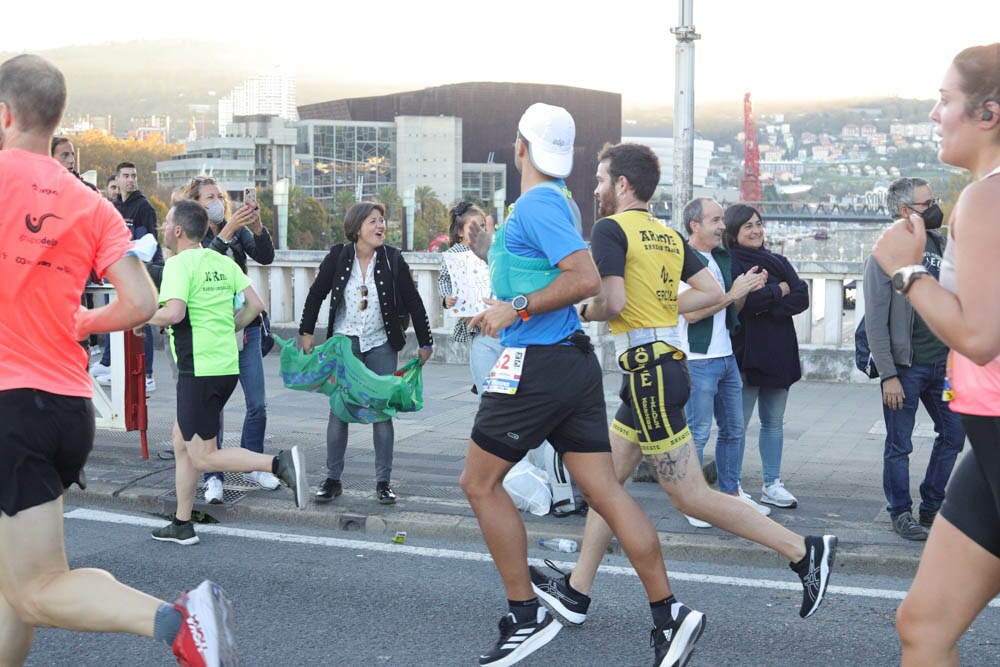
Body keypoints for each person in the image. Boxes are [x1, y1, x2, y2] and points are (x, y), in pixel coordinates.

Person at [529, 143, 838, 636]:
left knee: (690, 497)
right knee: (604, 485)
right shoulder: (668, 236)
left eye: (601, 178)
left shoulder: (609, 229)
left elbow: (608, 300)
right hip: (659, 369)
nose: (596, 188)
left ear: (623, 185)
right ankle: (576, 590)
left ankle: (803, 552)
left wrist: (579, 311)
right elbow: (713, 293)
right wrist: (657, 310)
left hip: (649, 374)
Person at [0, 53, 237, 666]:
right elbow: (142, 301)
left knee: (35, 590)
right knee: (15, 588)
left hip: (10, 408)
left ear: (3, 114)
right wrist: (84, 320)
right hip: (65, 408)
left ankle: (179, 622)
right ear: (56, 122)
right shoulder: (90, 203)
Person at [462, 105, 706, 667]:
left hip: (538, 365)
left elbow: (585, 277)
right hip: (570, 362)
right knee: (605, 492)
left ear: (520, 146)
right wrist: (503, 290)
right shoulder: (560, 202)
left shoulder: (539, 202)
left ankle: (525, 617)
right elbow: (545, 269)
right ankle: (668, 615)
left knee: (479, 484)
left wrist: (514, 309)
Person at [872, 42, 1000, 666]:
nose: (933, 113)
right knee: (923, 625)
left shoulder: (988, 197)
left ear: (988, 114)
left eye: (945, 99)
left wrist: (905, 271)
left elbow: (979, 336)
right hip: (987, 441)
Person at [147, 200, 306, 546]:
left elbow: (173, 313)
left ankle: (278, 464)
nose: (163, 228)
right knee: (181, 443)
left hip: (198, 369)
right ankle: (182, 522)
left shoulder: (177, 265)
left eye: (167, 222)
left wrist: (140, 316)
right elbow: (256, 306)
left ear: (177, 230)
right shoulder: (222, 260)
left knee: (203, 454)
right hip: (225, 366)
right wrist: (226, 326)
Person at [299, 201, 434, 504]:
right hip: (345, 345)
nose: (380, 226)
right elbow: (316, 293)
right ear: (357, 226)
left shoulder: (392, 259)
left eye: (382, 221)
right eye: (373, 221)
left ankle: (383, 482)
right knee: (339, 411)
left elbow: (414, 301)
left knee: (381, 413)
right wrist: (306, 332)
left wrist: (426, 342)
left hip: (381, 344)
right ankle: (333, 479)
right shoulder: (338, 256)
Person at [864, 177, 965, 541]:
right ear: (906, 211)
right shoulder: (885, 254)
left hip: (944, 363)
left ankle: (932, 505)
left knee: (954, 433)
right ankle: (900, 512)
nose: (935, 207)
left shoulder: (940, 242)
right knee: (899, 445)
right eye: (928, 203)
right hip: (905, 369)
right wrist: (888, 374)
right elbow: (875, 319)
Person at [678, 197, 775, 523]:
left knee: (734, 430)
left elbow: (730, 307)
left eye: (722, 219)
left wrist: (747, 287)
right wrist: (733, 293)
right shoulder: (683, 260)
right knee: (698, 433)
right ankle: (693, 503)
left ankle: (730, 494)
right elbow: (690, 315)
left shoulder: (719, 257)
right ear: (695, 226)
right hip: (698, 359)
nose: (723, 226)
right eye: (715, 220)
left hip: (725, 357)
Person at [182, 175, 279, 501]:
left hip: (244, 326)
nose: (216, 203)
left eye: (218, 196)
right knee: (213, 408)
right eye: (208, 197)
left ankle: (254, 462)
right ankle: (213, 475)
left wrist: (258, 225)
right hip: (211, 331)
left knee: (257, 403)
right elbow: (199, 264)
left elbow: (266, 257)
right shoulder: (192, 236)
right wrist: (225, 232)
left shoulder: (235, 231)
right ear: (195, 203)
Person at [724, 203, 809, 507]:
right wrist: (778, 292)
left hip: (779, 352)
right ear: (733, 231)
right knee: (737, 425)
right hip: (745, 353)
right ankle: (731, 486)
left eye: (759, 224)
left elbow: (802, 296)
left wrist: (767, 299)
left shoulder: (777, 260)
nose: (756, 230)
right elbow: (742, 304)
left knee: (774, 422)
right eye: (748, 225)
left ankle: (772, 482)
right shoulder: (729, 262)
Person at [91, 160, 163, 391]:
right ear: (117, 179)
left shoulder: (143, 207)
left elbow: (149, 243)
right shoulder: (115, 207)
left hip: (139, 271)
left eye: (133, 175)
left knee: (143, 320)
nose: (131, 179)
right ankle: (114, 365)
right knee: (118, 318)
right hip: (118, 269)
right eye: (126, 176)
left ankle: (148, 374)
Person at [438, 201, 505, 393]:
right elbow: (444, 281)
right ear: (460, 232)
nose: (480, 231)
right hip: (473, 320)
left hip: (494, 316)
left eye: (482, 226)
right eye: (474, 227)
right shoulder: (453, 255)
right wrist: (446, 298)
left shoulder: (492, 252)